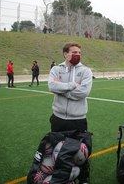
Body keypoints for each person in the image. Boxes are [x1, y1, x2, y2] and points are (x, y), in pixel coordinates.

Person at [48, 42, 93, 183]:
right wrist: (72, 85)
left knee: (81, 152)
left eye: (79, 52)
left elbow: (84, 92)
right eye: (74, 52)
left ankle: (83, 177)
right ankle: (60, 175)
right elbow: (51, 86)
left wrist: (62, 91)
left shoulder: (86, 71)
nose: (77, 55)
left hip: (78, 119)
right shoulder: (56, 69)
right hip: (58, 118)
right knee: (57, 150)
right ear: (65, 54)